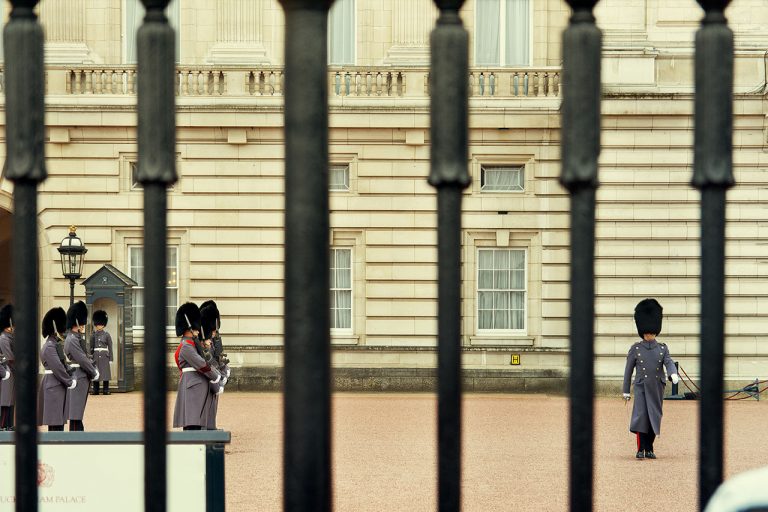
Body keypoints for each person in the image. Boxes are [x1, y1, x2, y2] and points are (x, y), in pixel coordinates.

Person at [622, 298, 679, 459]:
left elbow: (668, 361)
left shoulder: (662, 348)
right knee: (641, 417)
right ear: (643, 332)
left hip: (656, 387)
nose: (650, 336)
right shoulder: (636, 349)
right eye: (647, 333)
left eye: (652, 333)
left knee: (654, 416)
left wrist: (673, 373)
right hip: (641, 387)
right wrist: (626, 390)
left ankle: (650, 447)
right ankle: (641, 448)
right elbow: (628, 371)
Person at [172, 302, 221, 430]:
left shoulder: (192, 344)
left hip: (197, 386)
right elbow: (201, 364)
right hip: (192, 387)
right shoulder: (186, 346)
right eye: (196, 327)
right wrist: (216, 376)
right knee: (192, 424)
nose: (198, 330)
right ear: (189, 328)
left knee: (197, 424)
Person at [39, 307, 77, 431]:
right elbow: (58, 368)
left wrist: (70, 372)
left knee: (58, 422)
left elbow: (62, 363)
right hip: (54, 386)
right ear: (55, 329)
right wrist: (69, 381)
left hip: (56, 385)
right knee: (55, 424)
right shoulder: (50, 346)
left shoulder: (54, 344)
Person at [64, 300, 99, 431]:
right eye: (82, 323)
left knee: (78, 411)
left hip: (81, 376)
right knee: (75, 412)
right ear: (77, 322)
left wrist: (93, 367)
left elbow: (86, 357)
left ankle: (78, 431)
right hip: (78, 377)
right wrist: (94, 372)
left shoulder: (77, 338)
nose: (83, 326)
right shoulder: (72, 339)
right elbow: (82, 359)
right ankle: (75, 435)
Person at [200, 301, 228, 429]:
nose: (215, 333)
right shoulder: (202, 343)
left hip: (214, 377)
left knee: (212, 407)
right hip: (207, 378)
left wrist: (223, 370)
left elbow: (218, 357)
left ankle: (211, 429)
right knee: (205, 409)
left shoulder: (212, 340)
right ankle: (207, 431)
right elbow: (206, 361)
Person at [90, 310, 114, 396]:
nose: (98, 326)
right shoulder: (93, 335)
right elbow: (91, 347)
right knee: (96, 372)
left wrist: (111, 358)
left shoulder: (107, 335)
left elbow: (110, 347)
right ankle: (95, 390)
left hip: (104, 355)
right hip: (96, 355)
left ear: (103, 325)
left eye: (100, 324)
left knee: (105, 374)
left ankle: (106, 390)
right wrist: (91, 357)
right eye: (97, 324)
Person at [0, 304, 15, 431]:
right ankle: (3, 424)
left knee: (11, 400)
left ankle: (9, 424)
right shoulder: (4, 338)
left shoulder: (10, 336)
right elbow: (10, 357)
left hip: (11, 371)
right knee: (6, 400)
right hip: (7, 372)